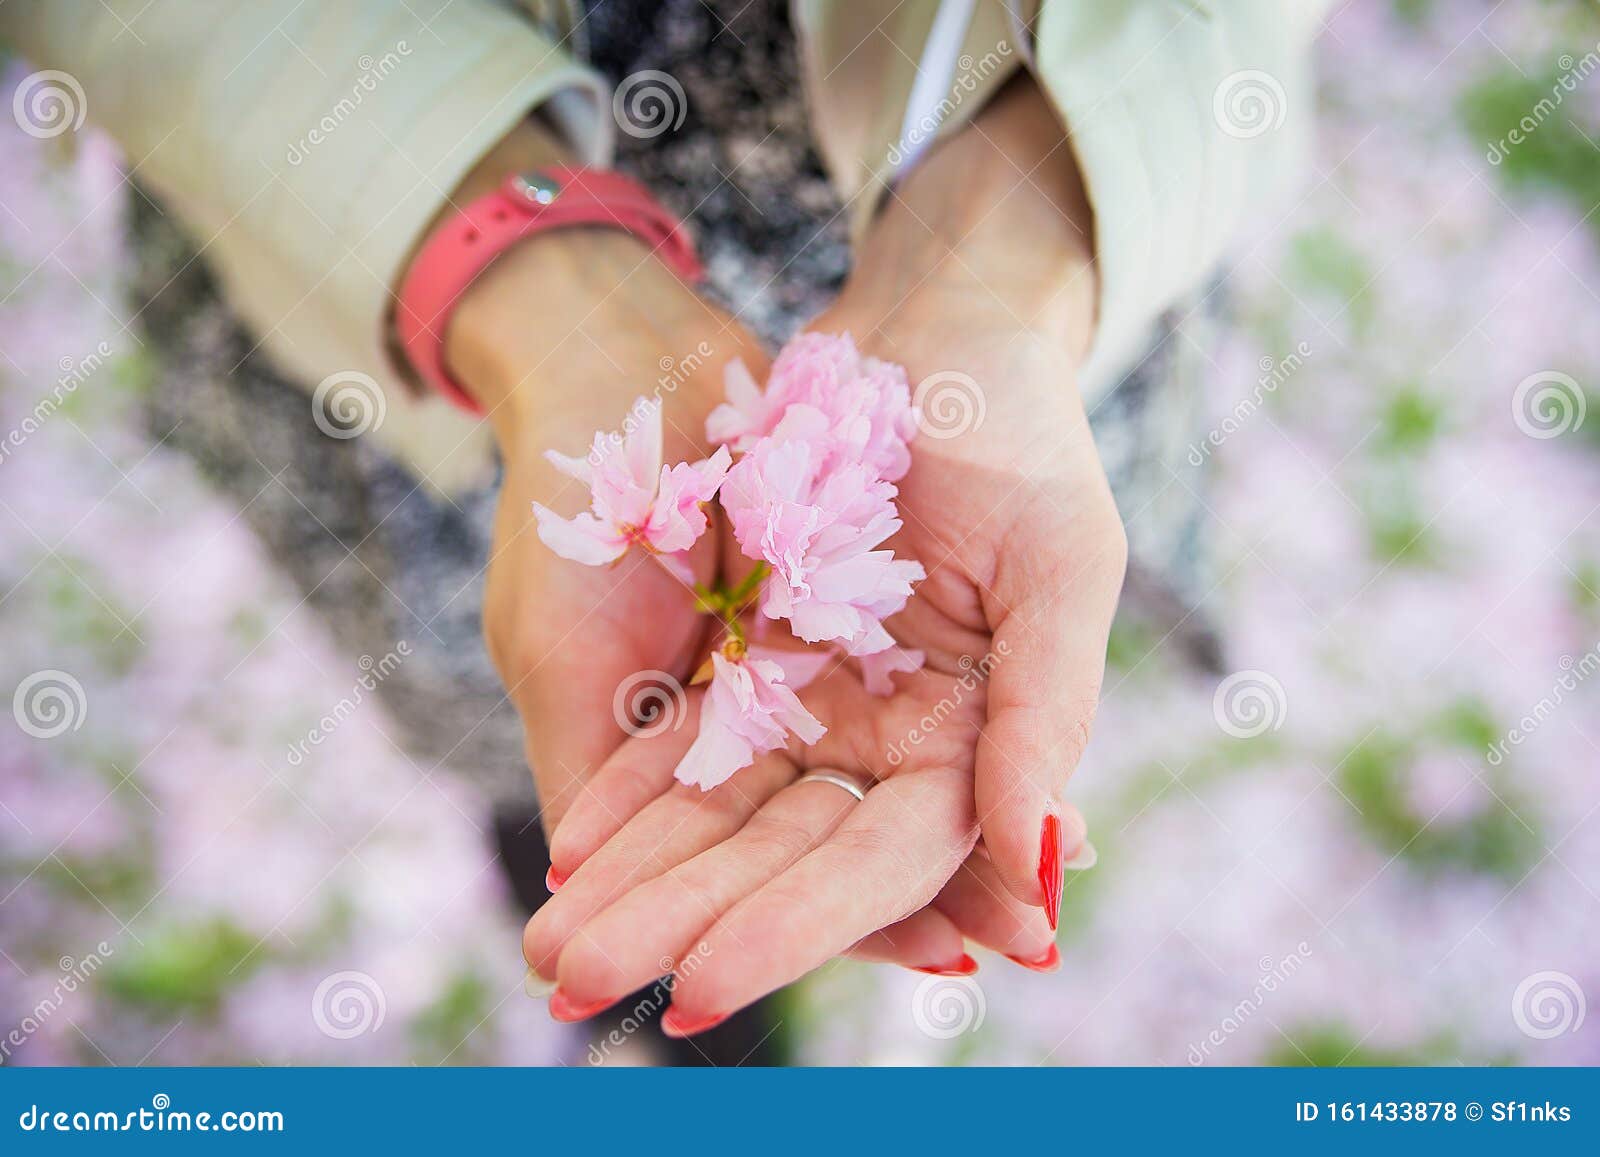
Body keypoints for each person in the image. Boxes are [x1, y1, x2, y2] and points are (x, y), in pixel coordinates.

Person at [0, 0, 1321, 1043]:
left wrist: (1014, 221)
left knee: (679, 785)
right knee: (574, 759)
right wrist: (527, 285)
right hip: (404, 279)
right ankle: (668, 1012)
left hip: (972, 212)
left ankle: (691, 1013)